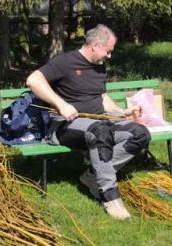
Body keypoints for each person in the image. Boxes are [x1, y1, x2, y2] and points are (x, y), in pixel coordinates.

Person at [26, 24, 150, 220]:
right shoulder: (65, 62)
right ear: (95, 46)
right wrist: (61, 104)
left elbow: (101, 98)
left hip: (98, 125)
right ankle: (110, 196)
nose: (109, 56)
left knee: (140, 133)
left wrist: (122, 112)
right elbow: (33, 80)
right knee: (99, 131)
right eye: (108, 51)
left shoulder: (99, 68)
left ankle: (92, 175)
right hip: (64, 127)